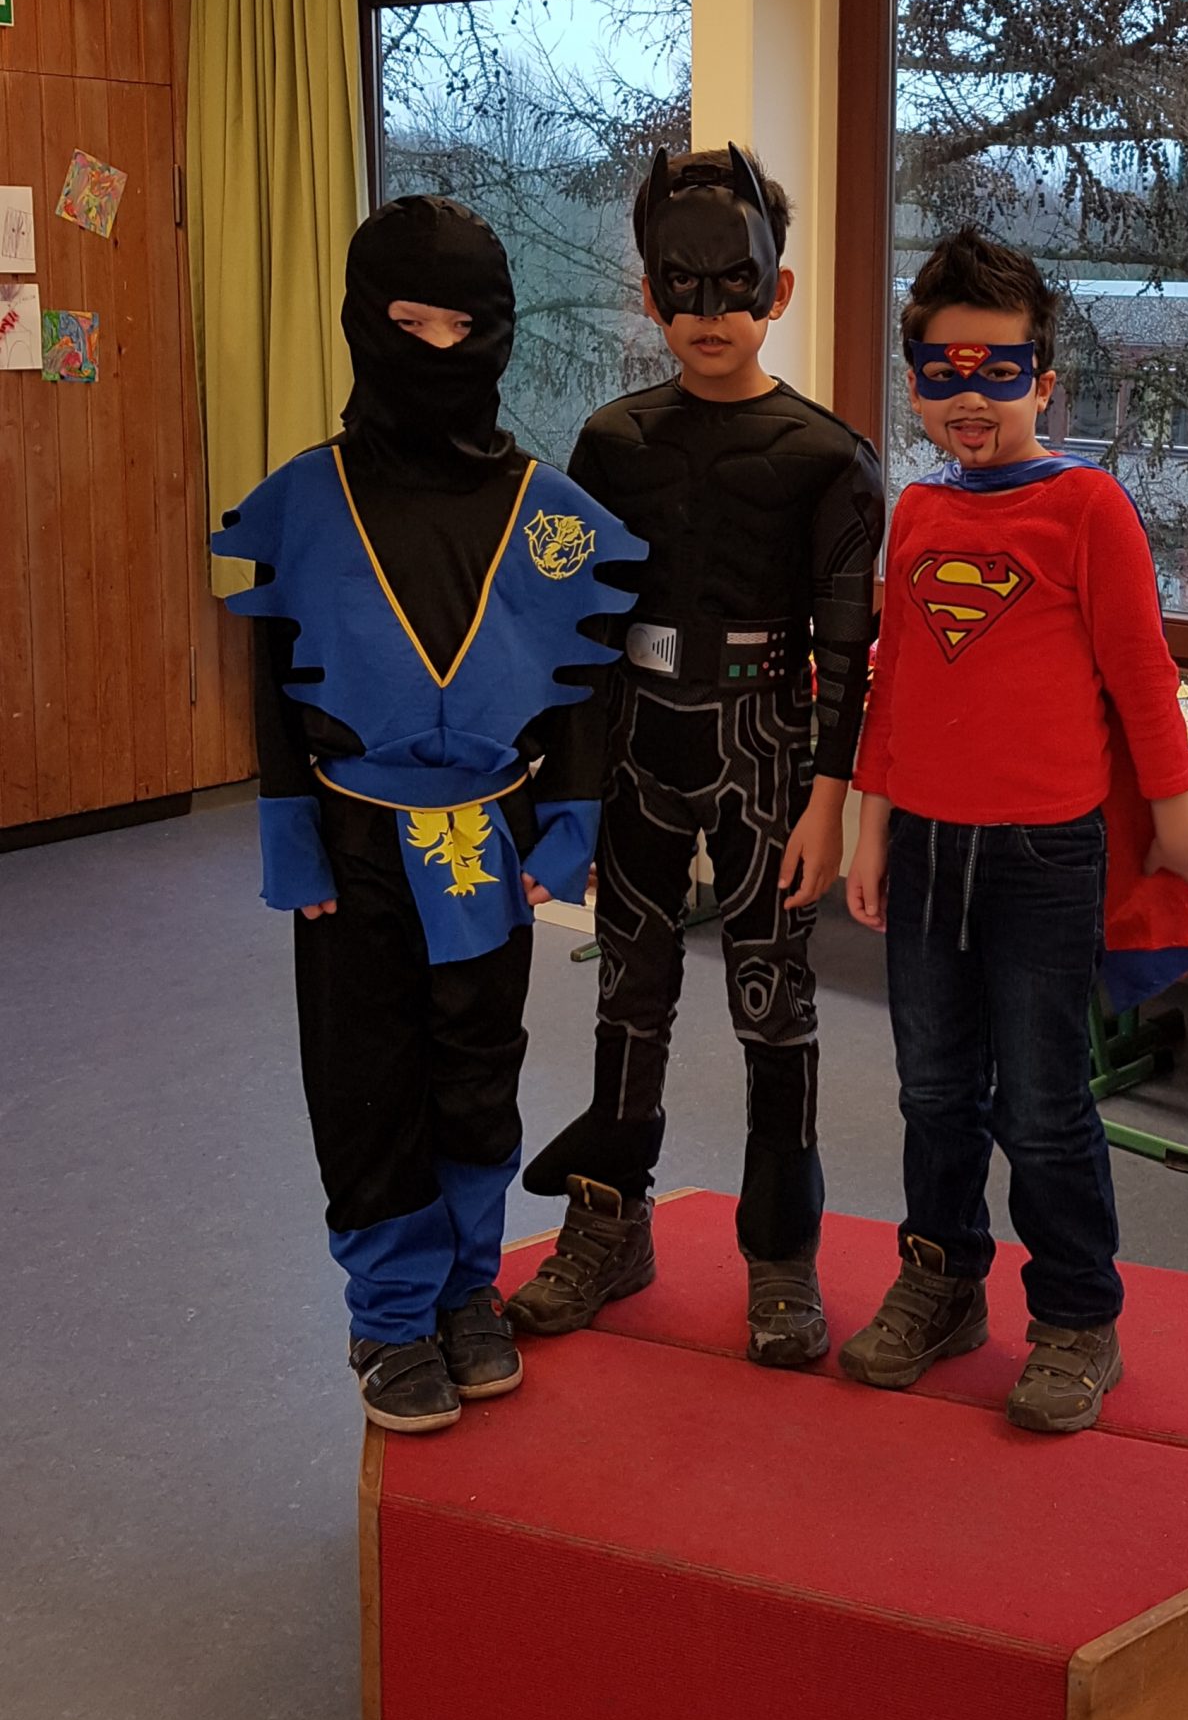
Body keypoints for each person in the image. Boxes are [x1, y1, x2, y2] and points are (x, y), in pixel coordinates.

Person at [211, 197, 645, 1435]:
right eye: (411, 323)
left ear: (499, 329)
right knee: (366, 1077)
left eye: (465, 325)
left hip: (485, 844)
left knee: (476, 1069)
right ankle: (392, 1312)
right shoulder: (306, 500)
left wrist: (571, 823)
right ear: (366, 322)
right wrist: (290, 838)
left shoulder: (546, 511)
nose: (440, 349)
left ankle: (465, 1286)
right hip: (351, 837)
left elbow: (583, 677)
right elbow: (274, 680)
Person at [840, 227, 1188, 1434]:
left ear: (1045, 382)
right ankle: (943, 1280)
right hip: (928, 849)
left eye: (998, 371)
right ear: (916, 381)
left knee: (1044, 1104)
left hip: (1045, 858)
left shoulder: (1088, 507)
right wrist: (871, 826)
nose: (971, 397)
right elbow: (896, 683)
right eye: (942, 371)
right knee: (933, 1089)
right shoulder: (916, 513)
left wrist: (1176, 827)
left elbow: (1142, 679)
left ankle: (1075, 1315)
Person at [512, 144, 884, 1367]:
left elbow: (847, 653)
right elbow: (574, 636)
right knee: (630, 996)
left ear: (781, 290)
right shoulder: (611, 441)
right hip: (638, 746)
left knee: (775, 1006)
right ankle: (609, 1226)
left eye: (737, 283)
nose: (709, 311)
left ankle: (780, 1255)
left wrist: (829, 801)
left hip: (767, 751)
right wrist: (564, 795)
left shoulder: (830, 458)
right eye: (683, 284)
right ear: (648, 292)